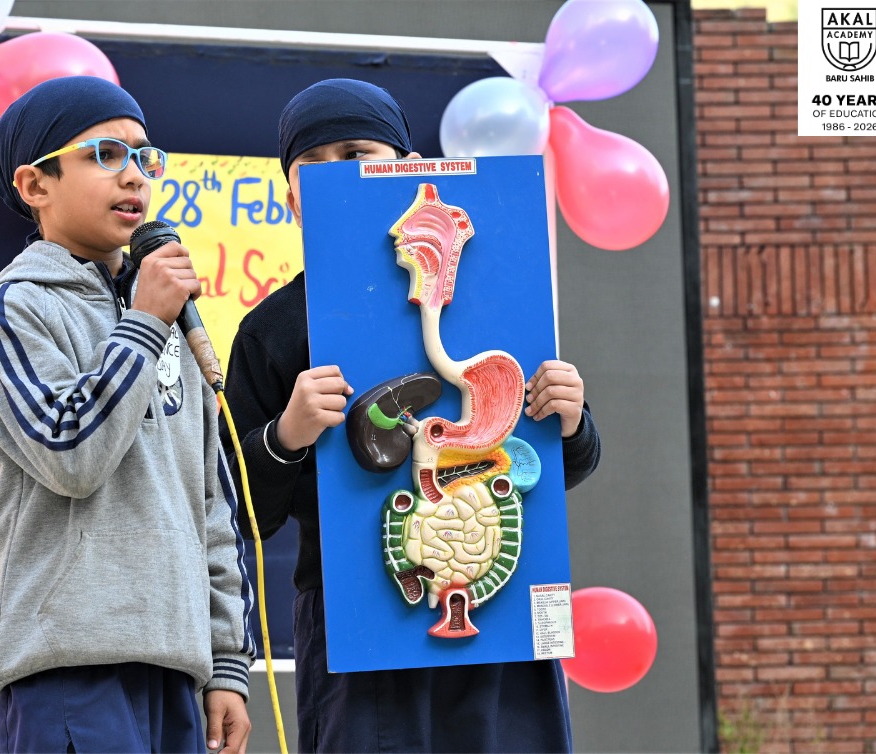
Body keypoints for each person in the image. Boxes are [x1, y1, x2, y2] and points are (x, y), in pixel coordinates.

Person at [219, 78, 602, 753]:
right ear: (292, 201)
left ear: (406, 168)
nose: (345, 172)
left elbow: (553, 464)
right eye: (319, 162)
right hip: (359, 616)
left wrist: (570, 417)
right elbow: (239, 506)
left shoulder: (495, 293)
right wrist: (286, 435)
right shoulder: (273, 329)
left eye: (361, 151)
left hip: (498, 608)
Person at [0, 76, 254, 754]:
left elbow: (209, 506)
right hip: (69, 670)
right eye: (104, 155)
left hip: (176, 673)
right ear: (36, 186)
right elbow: (71, 455)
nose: (135, 177)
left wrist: (226, 668)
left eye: (145, 158)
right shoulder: (17, 310)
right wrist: (145, 324)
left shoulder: (164, 320)